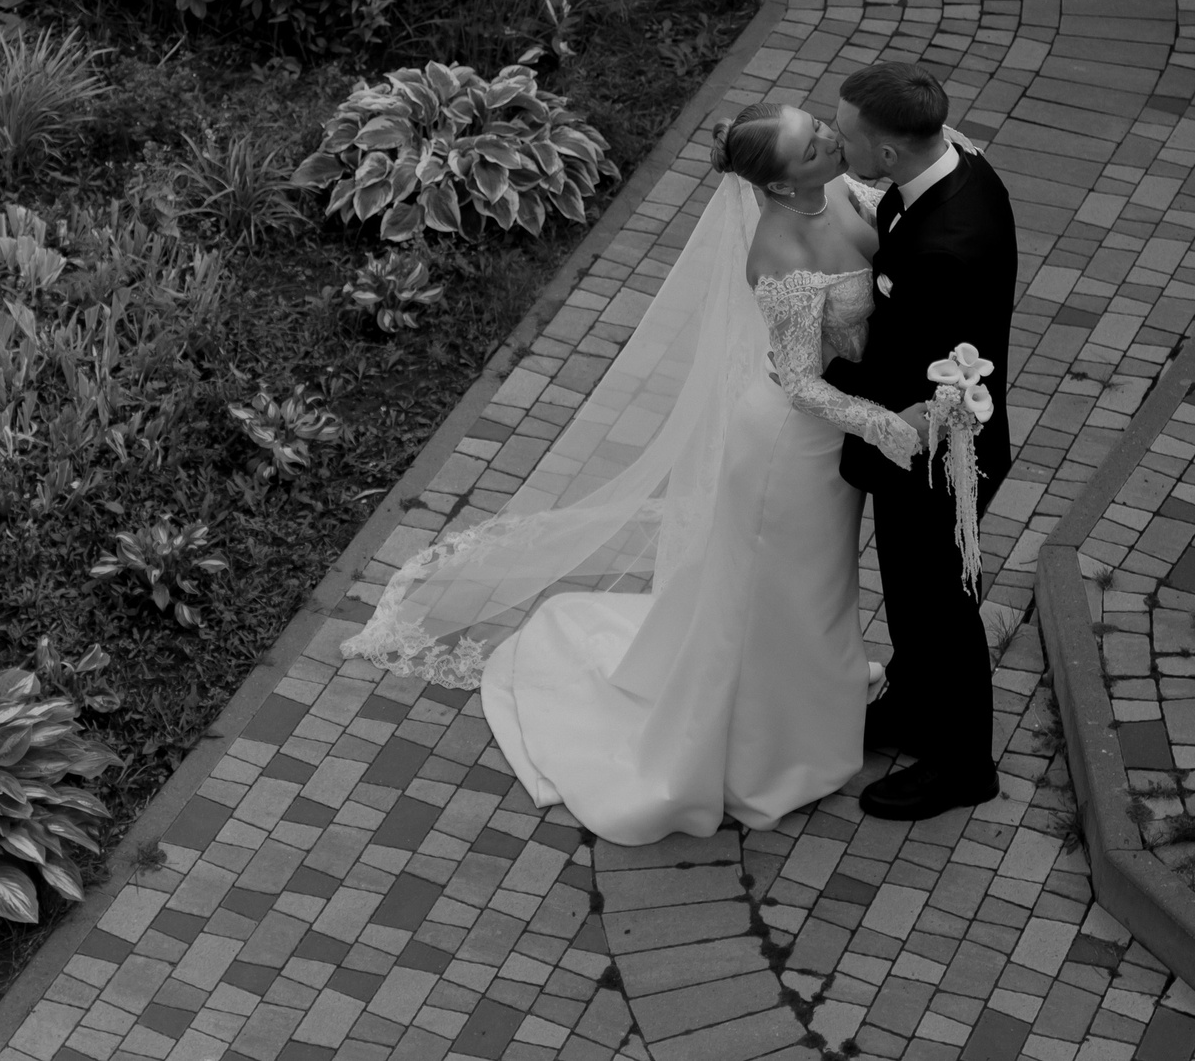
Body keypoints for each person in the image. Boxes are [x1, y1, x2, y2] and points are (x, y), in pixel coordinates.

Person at [339, 102, 919, 844]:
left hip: (828, 443)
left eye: (821, 128)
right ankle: (762, 753)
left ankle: (811, 714)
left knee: (820, 585)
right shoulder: (777, 251)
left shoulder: (840, 187)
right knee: (783, 592)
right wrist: (886, 423)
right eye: (814, 145)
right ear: (777, 186)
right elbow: (803, 382)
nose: (833, 141)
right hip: (787, 444)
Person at [826, 62, 1019, 822]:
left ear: (889, 156)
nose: (836, 143)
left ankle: (962, 765)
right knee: (910, 597)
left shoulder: (948, 248)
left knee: (940, 608)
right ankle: (910, 709)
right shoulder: (957, 159)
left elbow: (940, 387)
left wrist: (828, 378)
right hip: (923, 443)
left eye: (846, 138)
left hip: (944, 456)